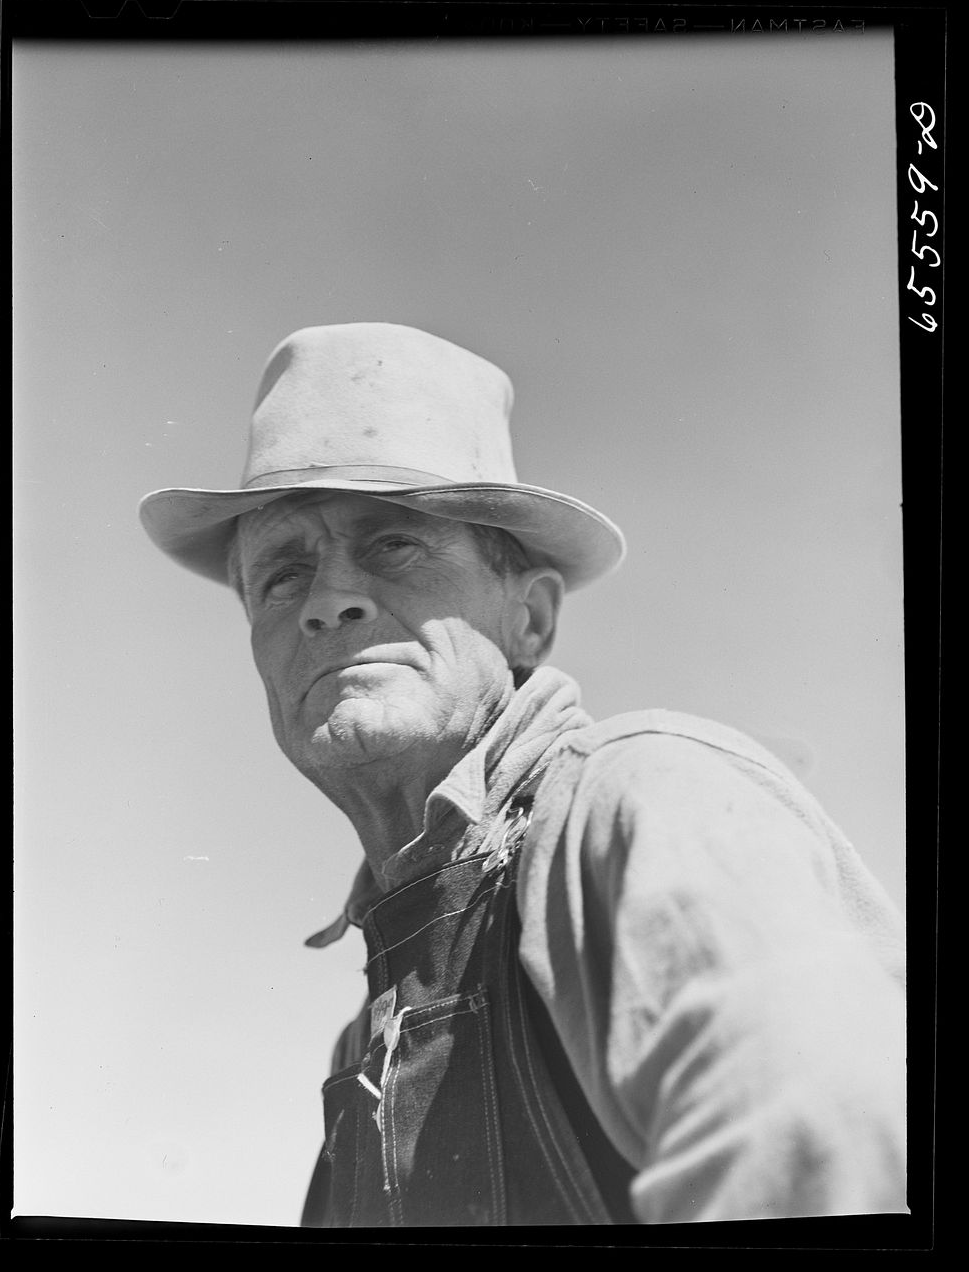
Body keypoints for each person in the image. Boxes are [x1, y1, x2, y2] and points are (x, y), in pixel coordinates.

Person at [139, 322, 907, 1227]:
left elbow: (824, 1152)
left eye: (393, 543)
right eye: (280, 573)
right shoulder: (371, 1022)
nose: (324, 601)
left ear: (530, 619)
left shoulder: (637, 804)